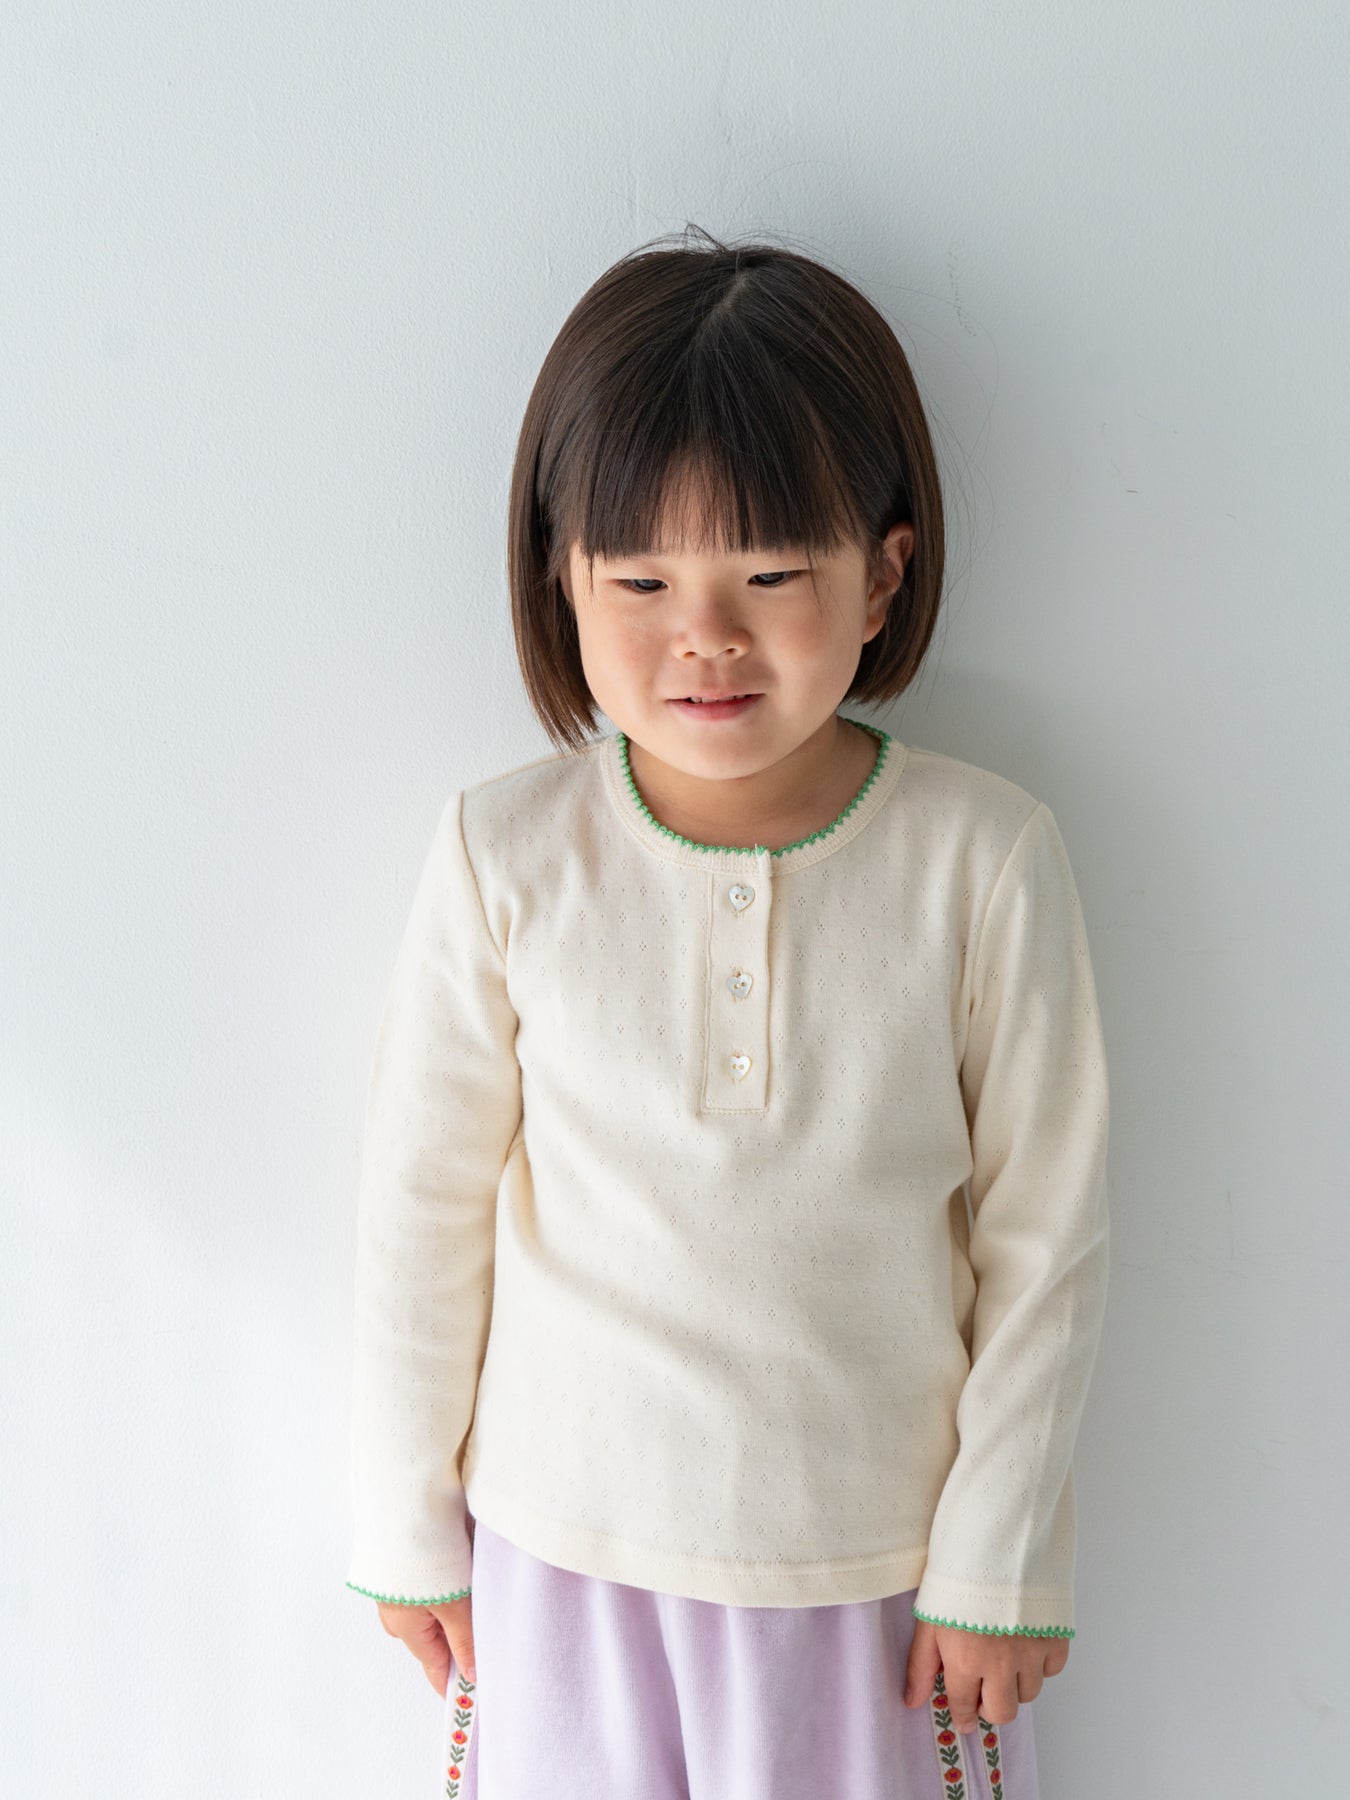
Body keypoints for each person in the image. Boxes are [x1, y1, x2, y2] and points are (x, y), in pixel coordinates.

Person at [344, 225, 1110, 1800]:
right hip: (559, 1563)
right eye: (639, 580)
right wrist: (406, 1523)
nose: (705, 633)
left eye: (768, 576)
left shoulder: (981, 858)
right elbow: (420, 1210)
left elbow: (1046, 1237)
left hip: (877, 1582)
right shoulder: (503, 854)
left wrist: (1000, 1554)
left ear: (881, 575)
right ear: (560, 575)